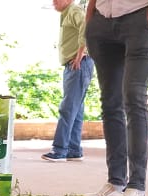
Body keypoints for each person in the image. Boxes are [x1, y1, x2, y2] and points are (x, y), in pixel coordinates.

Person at [80, 0, 148, 196]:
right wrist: (90, 16)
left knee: (134, 96)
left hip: (140, 14)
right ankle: (115, 183)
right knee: (110, 103)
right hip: (102, 20)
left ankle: (137, 186)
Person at [41, 0, 93, 163]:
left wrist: (79, 55)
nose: (54, 2)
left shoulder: (74, 10)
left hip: (77, 64)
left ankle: (60, 150)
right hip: (75, 65)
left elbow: (86, 28)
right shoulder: (68, 13)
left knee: (68, 108)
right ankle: (73, 149)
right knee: (75, 110)